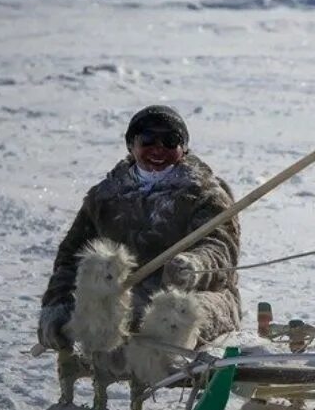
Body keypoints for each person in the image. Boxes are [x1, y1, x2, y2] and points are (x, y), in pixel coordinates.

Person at [37, 105, 241, 394]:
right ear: (131, 145)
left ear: (183, 148)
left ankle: (166, 365)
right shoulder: (104, 197)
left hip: (199, 294)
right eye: (148, 140)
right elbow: (72, 257)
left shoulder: (205, 194)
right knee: (95, 289)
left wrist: (193, 267)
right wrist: (56, 304)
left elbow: (221, 249)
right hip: (127, 299)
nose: (158, 149)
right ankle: (95, 361)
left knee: (174, 313)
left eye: (170, 141)